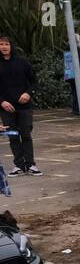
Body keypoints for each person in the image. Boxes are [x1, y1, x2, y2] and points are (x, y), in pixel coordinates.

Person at [0, 35, 39, 176]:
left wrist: (28, 93)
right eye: (1, 44)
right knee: (13, 136)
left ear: (11, 46)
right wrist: (2, 102)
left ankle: (31, 164)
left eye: (6, 44)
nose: (3, 47)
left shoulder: (22, 62)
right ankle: (18, 165)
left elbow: (34, 81)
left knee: (26, 134)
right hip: (6, 107)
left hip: (24, 106)